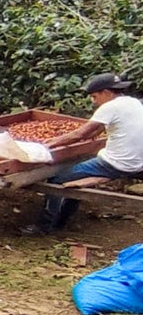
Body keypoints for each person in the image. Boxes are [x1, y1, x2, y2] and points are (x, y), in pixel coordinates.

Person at [24, 73, 143, 235]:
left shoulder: (110, 107)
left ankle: (45, 226)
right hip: (136, 161)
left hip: (115, 163)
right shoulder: (133, 102)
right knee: (75, 177)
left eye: (95, 97)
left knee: (56, 180)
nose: (94, 102)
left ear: (106, 93)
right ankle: (63, 219)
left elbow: (80, 134)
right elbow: (96, 131)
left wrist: (47, 143)